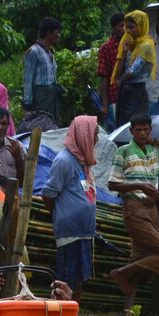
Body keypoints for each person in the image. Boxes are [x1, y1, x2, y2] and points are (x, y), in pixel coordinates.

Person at [108, 114, 159, 316]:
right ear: (131, 131)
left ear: (150, 130)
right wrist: (140, 186)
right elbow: (112, 184)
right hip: (134, 210)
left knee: (139, 260)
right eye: (137, 130)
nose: (141, 133)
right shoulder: (124, 151)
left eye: (145, 129)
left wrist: (152, 140)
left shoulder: (154, 150)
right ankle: (121, 273)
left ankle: (127, 314)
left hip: (151, 210)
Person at [41, 115, 99, 299]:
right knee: (66, 277)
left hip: (84, 230)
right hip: (69, 231)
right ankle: (61, 314)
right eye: (94, 134)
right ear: (83, 135)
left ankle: (74, 313)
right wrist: (60, 214)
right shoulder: (64, 160)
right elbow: (48, 194)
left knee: (80, 278)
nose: (96, 139)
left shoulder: (83, 161)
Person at [111, 10, 159, 128]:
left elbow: (133, 71)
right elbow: (120, 69)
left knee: (137, 125)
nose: (127, 31)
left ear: (141, 26)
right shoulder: (130, 43)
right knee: (123, 125)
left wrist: (120, 81)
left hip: (137, 91)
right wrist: (125, 51)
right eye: (126, 27)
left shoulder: (146, 45)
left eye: (131, 27)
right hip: (126, 89)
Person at [22, 16, 63, 129]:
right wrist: (28, 106)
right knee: (41, 128)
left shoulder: (50, 53)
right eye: (57, 32)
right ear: (49, 33)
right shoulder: (34, 52)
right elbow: (28, 80)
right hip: (41, 98)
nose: (59, 36)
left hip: (51, 97)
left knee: (52, 127)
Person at [96, 11, 126, 126]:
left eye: (126, 26)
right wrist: (105, 104)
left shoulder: (129, 44)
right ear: (114, 28)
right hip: (114, 97)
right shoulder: (107, 48)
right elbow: (103, 77)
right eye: (121, 26)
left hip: (128, 96)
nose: (124, 29)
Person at [0, 105, 25, 189]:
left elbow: (24, 183)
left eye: (3, 124)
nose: (0, 127)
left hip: (11, 194)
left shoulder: (18, 147)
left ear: (8, 125)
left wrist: (18, 160)